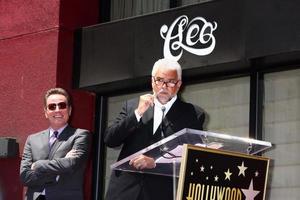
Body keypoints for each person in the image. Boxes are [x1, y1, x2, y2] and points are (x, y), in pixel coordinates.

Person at [104, 58, 206, 200]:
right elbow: (110, 140)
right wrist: (137, 113)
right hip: (124, 190)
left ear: (179, 84)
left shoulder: (193, 114)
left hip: (161, 192)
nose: (164, 86)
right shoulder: (133, 106)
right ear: (152, 81)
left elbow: (194, 160)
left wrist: (155, 163)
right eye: (159, 80)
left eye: (170, 81)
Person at [20, 88, 90, 200]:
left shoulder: (80, 135)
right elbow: (25, 177)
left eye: (62, 105)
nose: (57, 110)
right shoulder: (32, 139)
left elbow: (70, 164)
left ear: (70, 110)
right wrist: (57, 172)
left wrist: (38, 165)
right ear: (46, 112)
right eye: (52, 106)